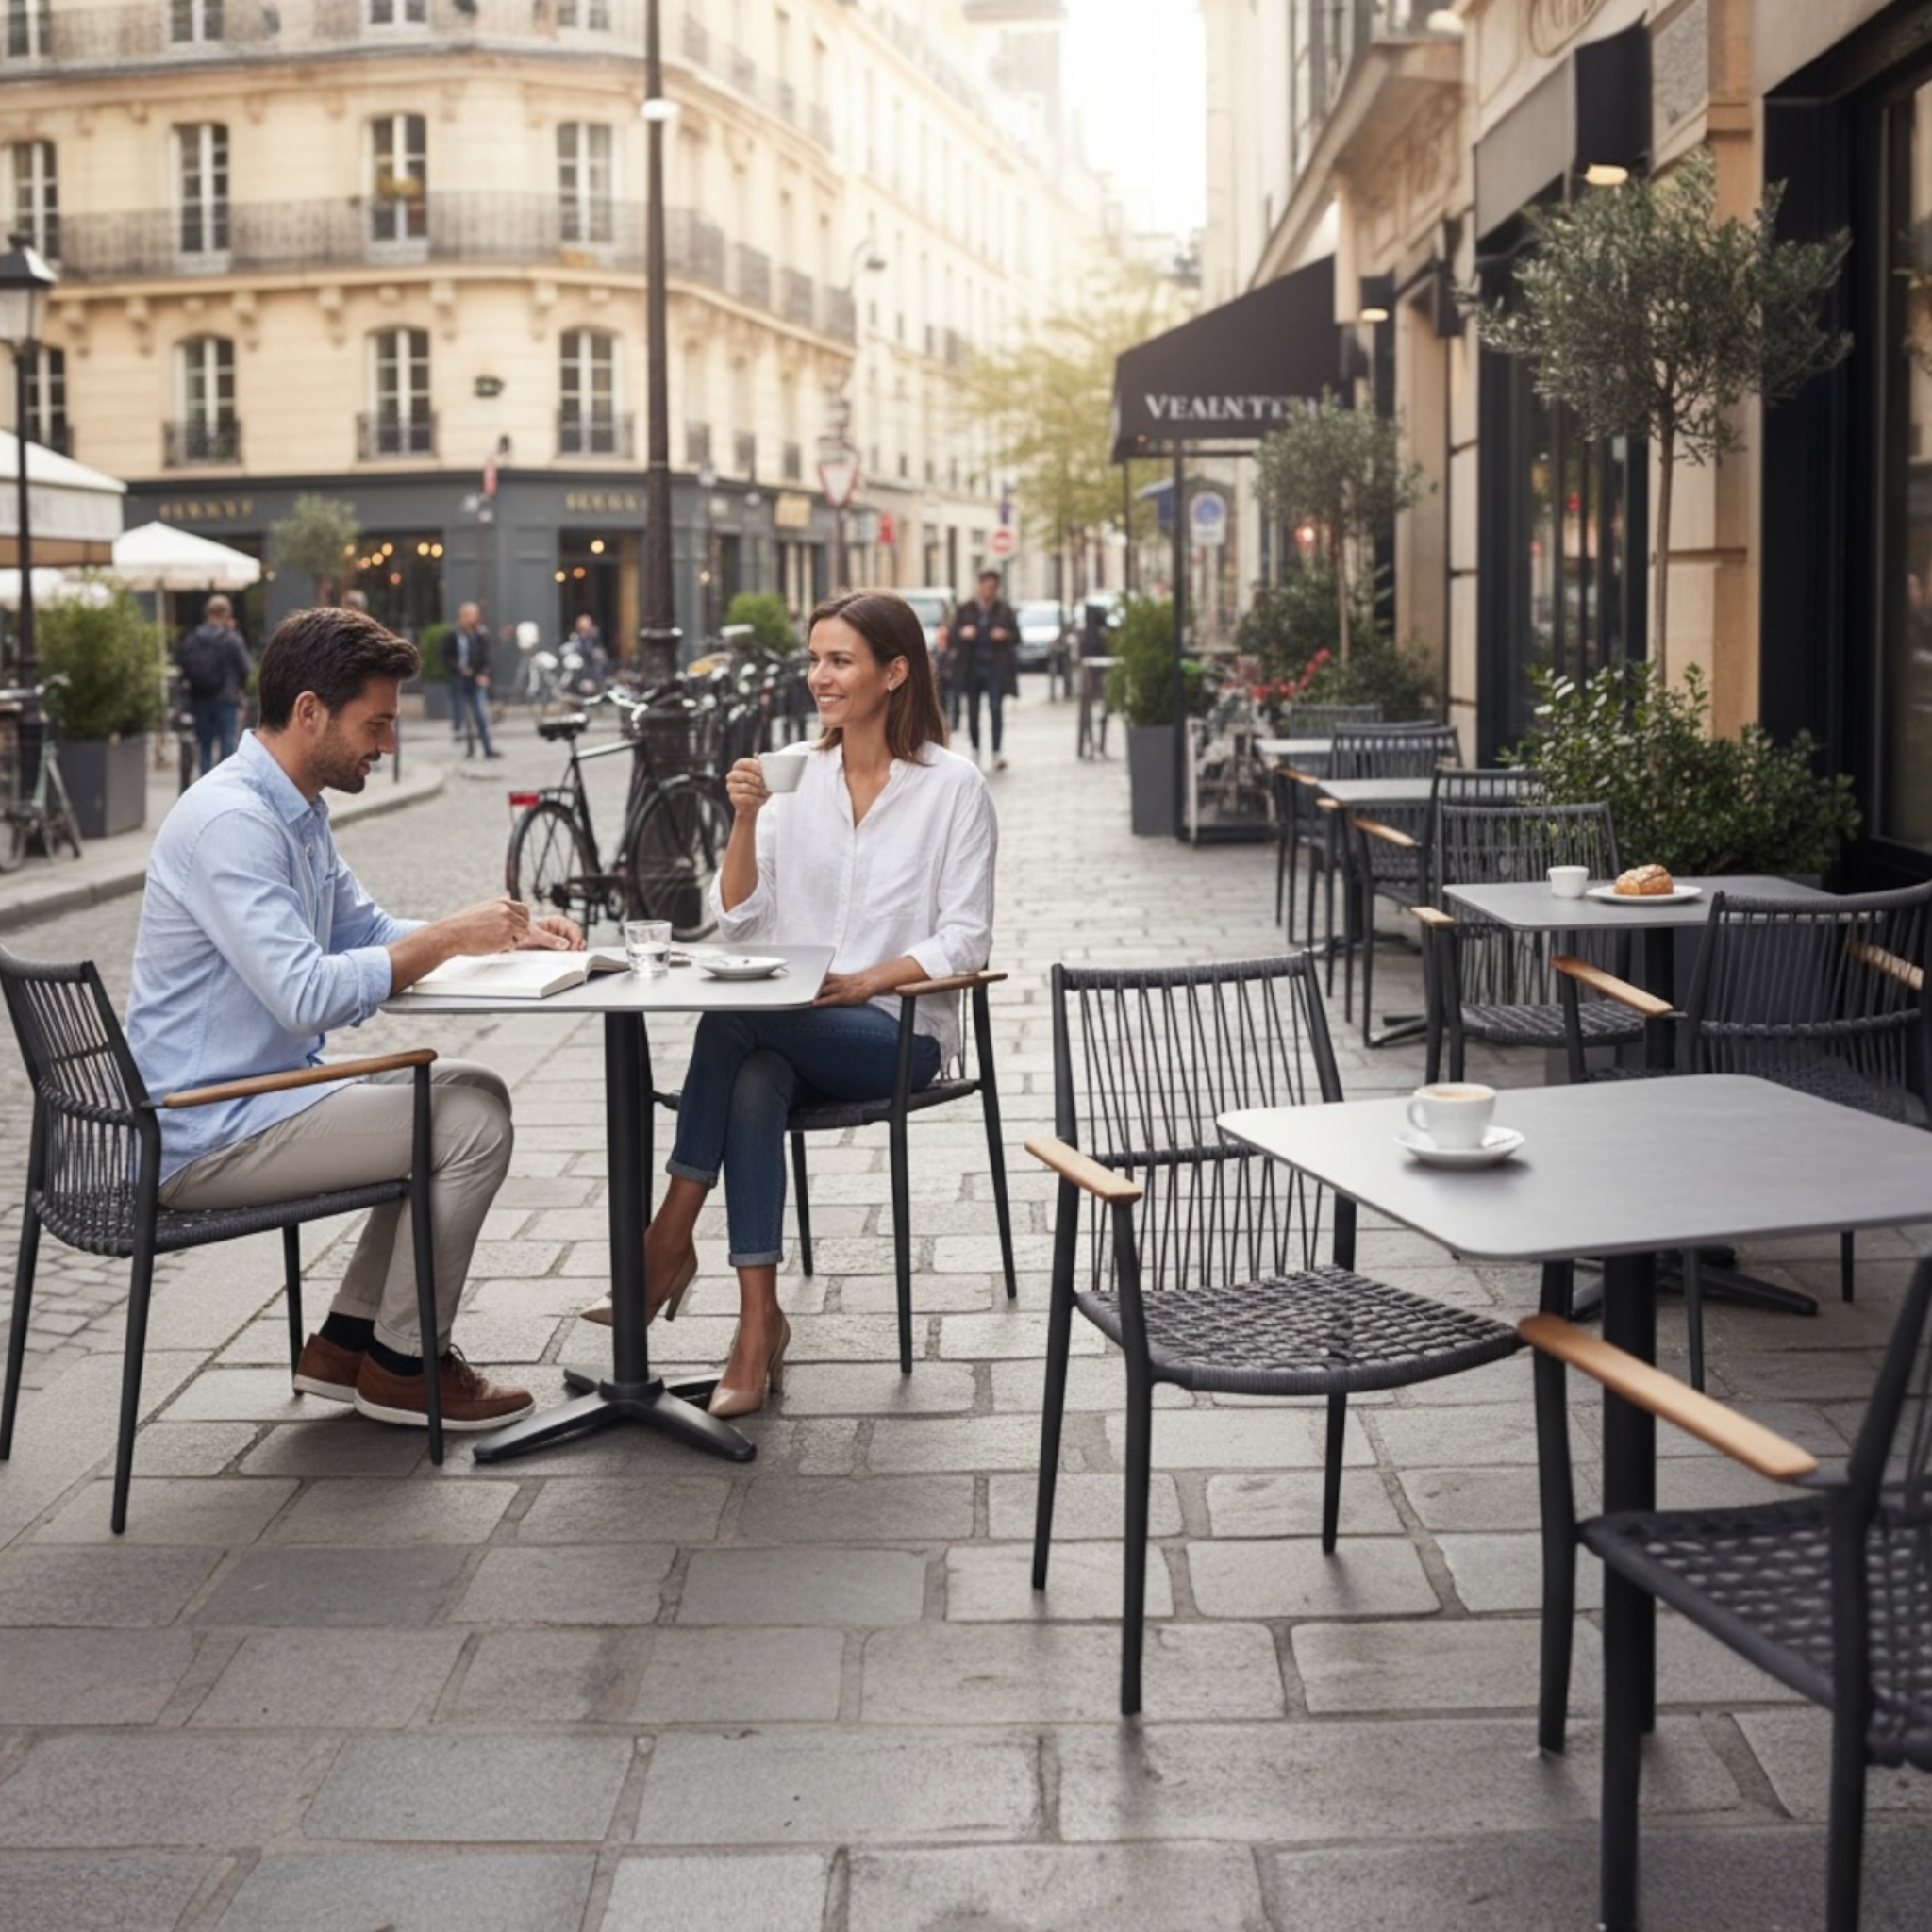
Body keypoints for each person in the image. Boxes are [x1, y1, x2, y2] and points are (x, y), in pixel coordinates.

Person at [126, 607, 583, 1430]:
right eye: (375, 724)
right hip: (204, 1129)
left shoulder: (294, 810)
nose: (387, 745)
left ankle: (345, 1346)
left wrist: (503, 937)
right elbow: (307, 994)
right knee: (470, 1118)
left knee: (466, 1091)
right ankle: (407, 1364)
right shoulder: (235, 822)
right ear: (310, 712)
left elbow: (367, 934)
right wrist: (452, 936)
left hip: (260, 1098)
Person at [584, 591, 996, 1416]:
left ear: (896, 672)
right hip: (790, 1028)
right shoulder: (792, 776)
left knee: (734, 1019)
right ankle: (756, 1321)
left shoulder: (954, 787)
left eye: (839, 660)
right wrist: (745, 820)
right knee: (754, 1072)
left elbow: (966, 938)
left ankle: (667, 1242)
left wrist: (868, 980)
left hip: (900, 1028)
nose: (820, 677)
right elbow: (740, 921)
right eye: (815, 660)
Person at [175, 595, 254, 778]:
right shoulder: (231, 638)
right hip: (226, 697)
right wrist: (240, 687)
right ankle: (223, 781)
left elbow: (183, 663)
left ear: (207, 613)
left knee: (204, 744)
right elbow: (245, 666)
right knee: (227, 741)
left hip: (199, 697)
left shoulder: (193, 637)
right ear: (226, 614)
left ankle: (205, 781)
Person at [950, 570, 1019, 770]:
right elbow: (953, 634)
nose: (988, 591)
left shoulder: (1004, 610)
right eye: (985, 587)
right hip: (971, 666)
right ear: (979, 586)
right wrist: (963, 633)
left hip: (995, 667)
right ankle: (975, 750)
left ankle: (997, 752)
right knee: (972, 712)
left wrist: (1004, 634)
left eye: (993, 588)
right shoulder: (966, 609)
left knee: (996, 709)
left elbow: (1017, 636)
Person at [442, 601, 500, 758]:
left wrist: (484, 674)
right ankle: (468, 748)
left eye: (471, 615)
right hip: (459, 679)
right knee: (461, 714)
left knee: (481, 713)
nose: (468, 619)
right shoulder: (453, 635)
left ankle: (487, 747)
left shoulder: (481, 635)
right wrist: (458, 668)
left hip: (476, 679)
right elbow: (446, 657)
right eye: (466, 615)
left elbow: (487, 658)